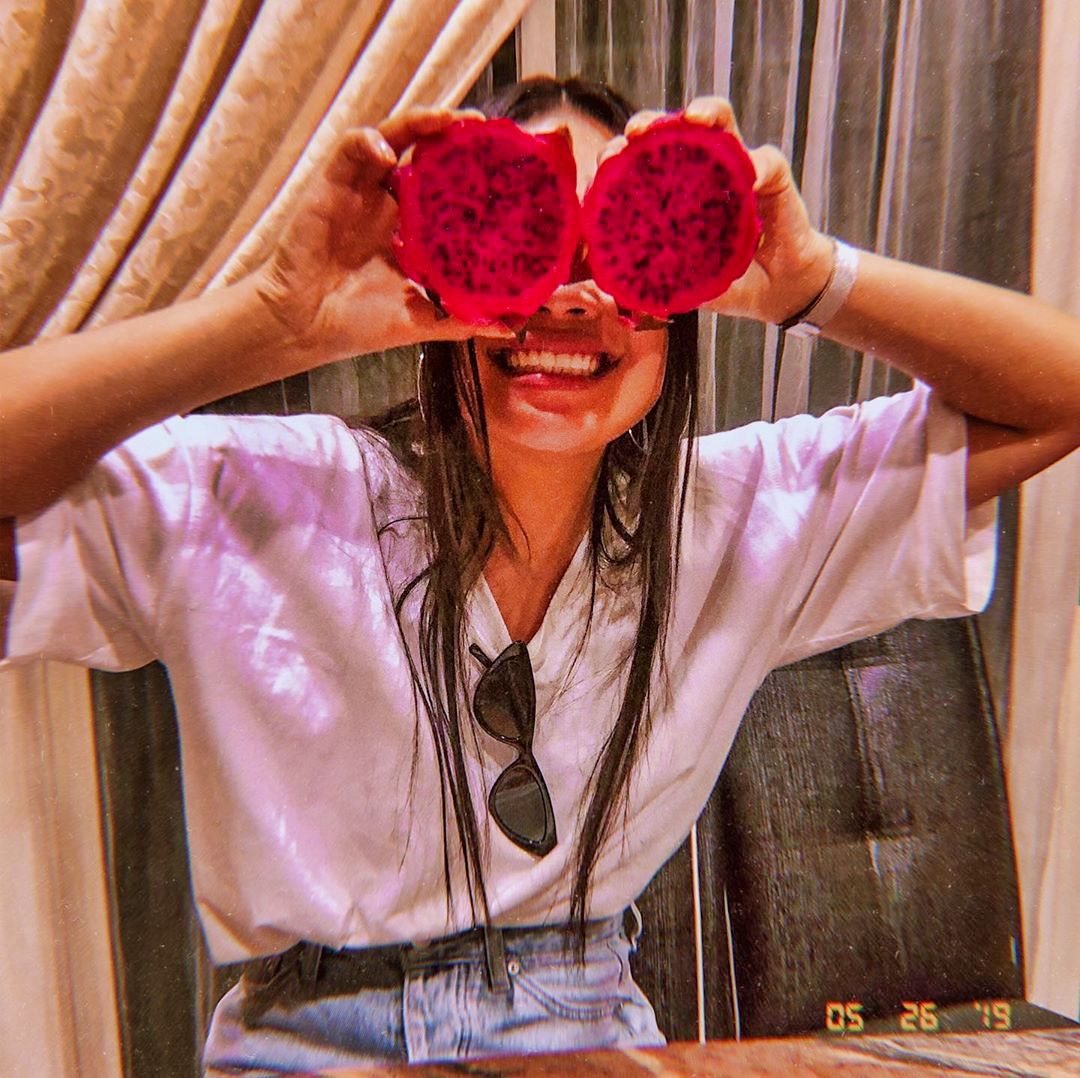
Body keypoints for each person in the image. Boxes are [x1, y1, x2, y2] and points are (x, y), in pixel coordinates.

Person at [2, 76, 1078, 1072]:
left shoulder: (740, 517)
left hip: (590, 1028)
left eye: (619, 249)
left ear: (683, 300)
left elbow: (1058, 396)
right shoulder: (257, 499)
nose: (568, 298)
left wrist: (812, 281)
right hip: (303, 1042)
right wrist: (277, 318)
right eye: (526, 239)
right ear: (435, 274)